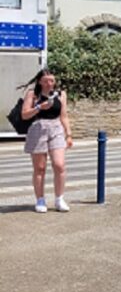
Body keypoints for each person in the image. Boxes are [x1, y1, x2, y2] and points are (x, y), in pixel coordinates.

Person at [19, 69, 73, 213]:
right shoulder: (33, 94)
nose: (50, 84)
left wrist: (68, 134)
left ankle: (59, 199)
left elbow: (64, 116)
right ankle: (40, 199)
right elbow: (24, 115)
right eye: (46, 81)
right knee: (40, 168)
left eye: (52, 80)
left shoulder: (61, 94)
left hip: (56, 128)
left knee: (59, 165)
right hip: (38, 128)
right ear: (40, 82)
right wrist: (38, 107)